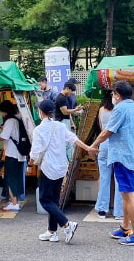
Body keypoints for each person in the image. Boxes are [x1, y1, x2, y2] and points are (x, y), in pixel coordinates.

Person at [90, 80, 134, 246]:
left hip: (124, 158)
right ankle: (125, 227)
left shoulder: (120, 109)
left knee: (129, 196)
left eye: (113, 94)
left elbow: (106, 132)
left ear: (117, 95)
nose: (112, 97)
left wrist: (92, 146)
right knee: (127, 195)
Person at [31, 99, 97, 244]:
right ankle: (52, 232)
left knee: (45, 200)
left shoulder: (39, 130)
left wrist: (32, 160)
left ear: (40, 112)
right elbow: (73, 139)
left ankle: (67, 224)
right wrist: (88, 148)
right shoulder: (60, 126)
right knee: (54, 200)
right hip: (61, 167)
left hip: (48, 168)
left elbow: (34, 154)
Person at [94, 91, 124, 220]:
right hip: (117, 145)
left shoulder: (101, 110)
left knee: (104, 178)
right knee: (118, 179)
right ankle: (118, 212)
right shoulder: (119, 110)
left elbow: (101, 128)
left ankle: (102, 209)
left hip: (104, 145)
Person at [0, 100, 26, 212]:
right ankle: (15, 201)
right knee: (15, 178)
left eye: (2, 112)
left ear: (5, 111)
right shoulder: (18, 119)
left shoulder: (10, 121)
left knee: (10, 178)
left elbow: (4, 136)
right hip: (20, 154)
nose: (2, 114)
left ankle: (14, 203)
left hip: (12, 154)